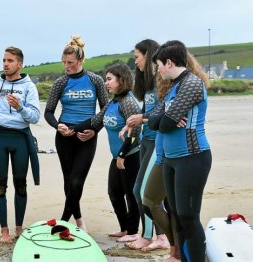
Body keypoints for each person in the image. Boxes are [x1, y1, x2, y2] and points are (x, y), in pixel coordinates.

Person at [149, 40, 211, 262]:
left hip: (192, 158)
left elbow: (164, 124)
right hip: (171, 160)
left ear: (169, 62)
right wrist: (168, 115)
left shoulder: (192, 84)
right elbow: (154, 121)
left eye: (158, 65)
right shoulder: (174, 87)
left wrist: (166, 118)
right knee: (176, 215)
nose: (157, 70)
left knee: (189, 217)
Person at [0, 46, 40, 243]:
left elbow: (35, 117)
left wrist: (19, 107)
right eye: (4, 60)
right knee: (0, 187)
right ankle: (4, 231)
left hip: (20, 138)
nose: (5, 64)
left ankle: (19, 228)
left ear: (20, 64)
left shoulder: (29, 87)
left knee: (21, 185)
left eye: (10, 60)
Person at [44, 36, 109, 230]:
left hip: (87, 136)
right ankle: (78, 220)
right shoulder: (61, 82)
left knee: (77, 180)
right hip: (65, 136)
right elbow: (48, 112)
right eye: (64, 62)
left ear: (80, 61)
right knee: (68, 180)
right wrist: (58, 126)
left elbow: (106, 109)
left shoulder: (95, 80)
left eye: (70, 63)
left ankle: (64, 220)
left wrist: (94, 130)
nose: (66, 66)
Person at [73, 63, 141, 241]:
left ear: (122, 80)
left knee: (131, 195)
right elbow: (96, 120)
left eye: (109, 79)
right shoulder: (114, 101)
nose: (106, 83)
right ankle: (125, 228)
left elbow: (135, 133)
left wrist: (122, 155)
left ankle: (133, 232)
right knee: (114, 193)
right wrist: (69, 129)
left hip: (130, 155)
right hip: (117, 157)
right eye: (106, 79)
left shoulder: (128, 102)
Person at [121, 39, 170, 248]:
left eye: (137, 57)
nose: (135, 63)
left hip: (159, 141)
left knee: (141, 191)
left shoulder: (162, 81)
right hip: (146, 141)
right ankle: (161, 237)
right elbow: (147, 111)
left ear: (147, 56)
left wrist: (142, 118)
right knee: (143, 191)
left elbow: (164, 111)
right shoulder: (148, 84)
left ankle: (150, 236)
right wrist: (132, 124)